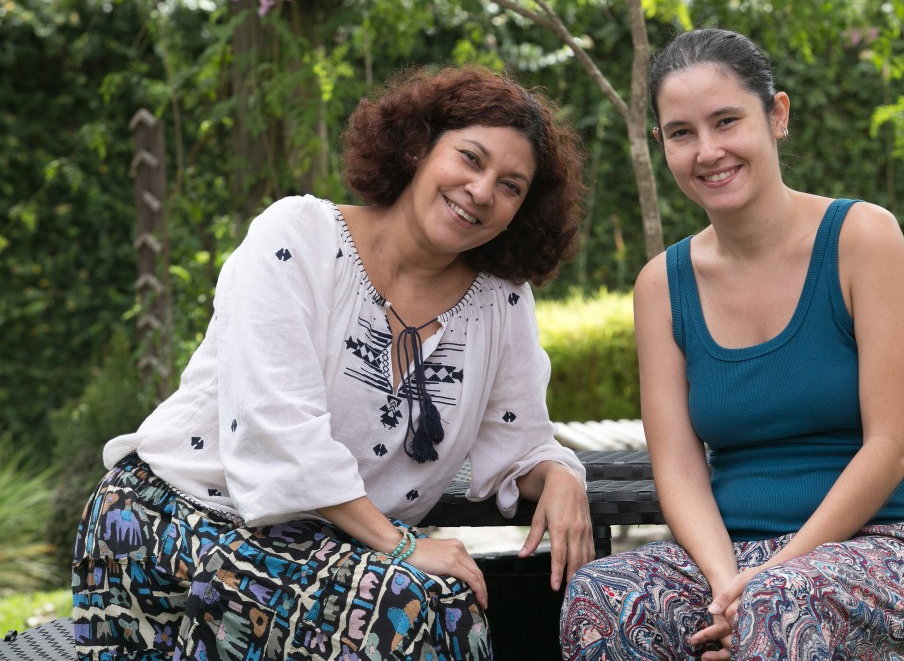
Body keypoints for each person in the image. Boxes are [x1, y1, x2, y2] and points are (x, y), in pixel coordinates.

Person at [72, 65, 594, 661]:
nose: (481, 190)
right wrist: (397, 546)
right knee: (412, 607)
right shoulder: (299, 237)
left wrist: (557, 475)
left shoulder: (501, 301)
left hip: (330, 546)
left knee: (438, 601)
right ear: (418, 148)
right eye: (470, 159)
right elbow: (279, 429)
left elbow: (520, 442)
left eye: (511, 186)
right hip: (177, 518)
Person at [560, 28, 904, 660]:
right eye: (681, 133)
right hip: (731, 556)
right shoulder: (661, 286)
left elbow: (889, 447)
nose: (708, 151)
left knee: (780, 605)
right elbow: (677, 467)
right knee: (602, 596)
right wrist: (730, 585)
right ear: (660, 144)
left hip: (887, 550)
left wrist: (771, 580)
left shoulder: (861, 238)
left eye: (727, 121)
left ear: (776, 115)